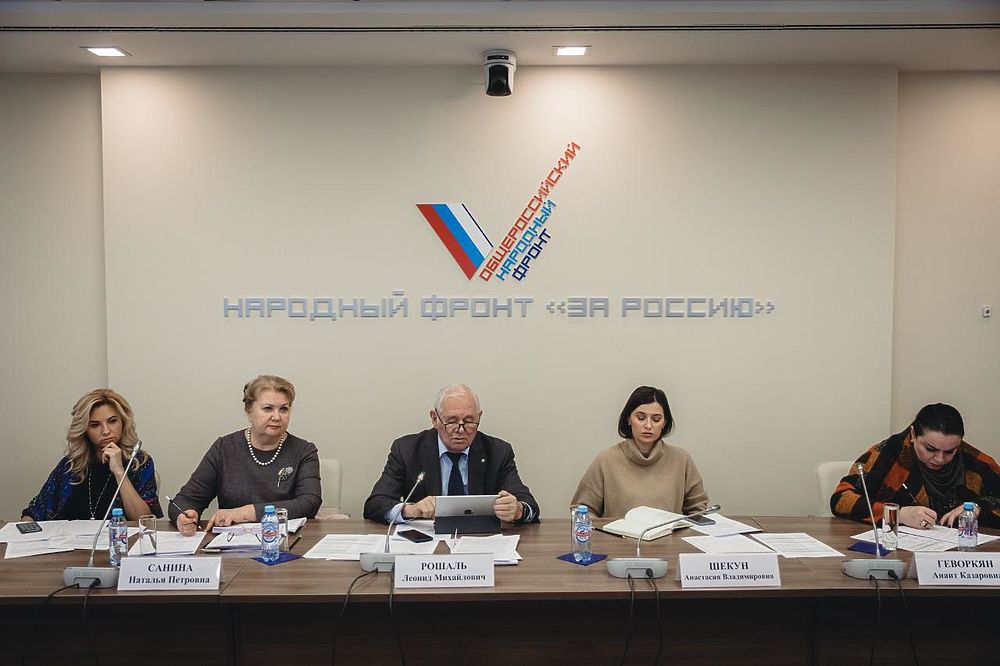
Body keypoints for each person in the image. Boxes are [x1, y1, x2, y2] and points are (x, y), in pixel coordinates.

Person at [363, 384, 539, 524]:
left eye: (469, 421)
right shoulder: (407, 450)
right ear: (435, 418)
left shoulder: (498, 452)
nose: (461, 430)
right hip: (427, 543)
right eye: (452, 422)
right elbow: (375, 504)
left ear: (479, 417)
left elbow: (530, 506)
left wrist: (518, 510)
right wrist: (411, 510)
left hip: (480, 539)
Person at [170, 375, 321, 535]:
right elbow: (186, 499)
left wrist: (244, 513)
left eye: (283, 409)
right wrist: (184, 516)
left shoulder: (304, 451)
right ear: (249, 411)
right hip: (232, 542)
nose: (277, 417)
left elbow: (309, 503)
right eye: (268, 408)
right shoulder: (224, 448)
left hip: (287, 542)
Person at [831, 403, 1000, 529]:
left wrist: (979, 507)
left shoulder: (974, 462)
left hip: (961, 554)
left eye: (950, 451)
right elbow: (841, 499)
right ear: (913, 434)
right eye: (930, 449)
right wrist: (898, 514)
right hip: (898, 551)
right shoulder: (891, 453)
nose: (939, 459)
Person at [22, 389, 162, 521]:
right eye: (95, 425)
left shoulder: (139, 462)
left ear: (123, 422)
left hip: (118, 539)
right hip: (70, 539)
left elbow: (145, 520)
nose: (106, 431)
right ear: (85, 430)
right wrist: (26, 529)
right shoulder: (70, 465)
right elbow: (34, 512)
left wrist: (119, 472)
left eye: (112, 421)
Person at [571, 385, 710, 518]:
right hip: (617, 535)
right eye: (641, 418)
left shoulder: (682, 459)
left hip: (668, 535)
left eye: (656, 419)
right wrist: (602, 531)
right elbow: (580, 510)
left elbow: (699, 510)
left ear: (664, 423)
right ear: (628, 419)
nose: (648, 425)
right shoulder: (606, 460)